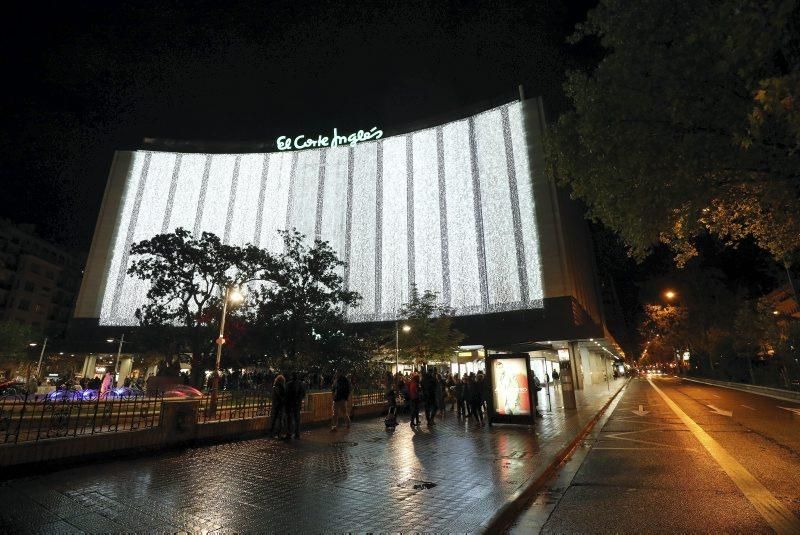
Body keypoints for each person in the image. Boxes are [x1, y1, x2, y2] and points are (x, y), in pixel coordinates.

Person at [286, 372, 306, 439]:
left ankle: (289, 433)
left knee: (290, 419)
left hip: (290, 404)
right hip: (297, 404)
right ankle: (297, 434)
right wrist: (299, 399)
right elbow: (303, 394)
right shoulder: (301, 384)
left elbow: (286, 394)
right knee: (297, 419)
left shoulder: (289, 384)